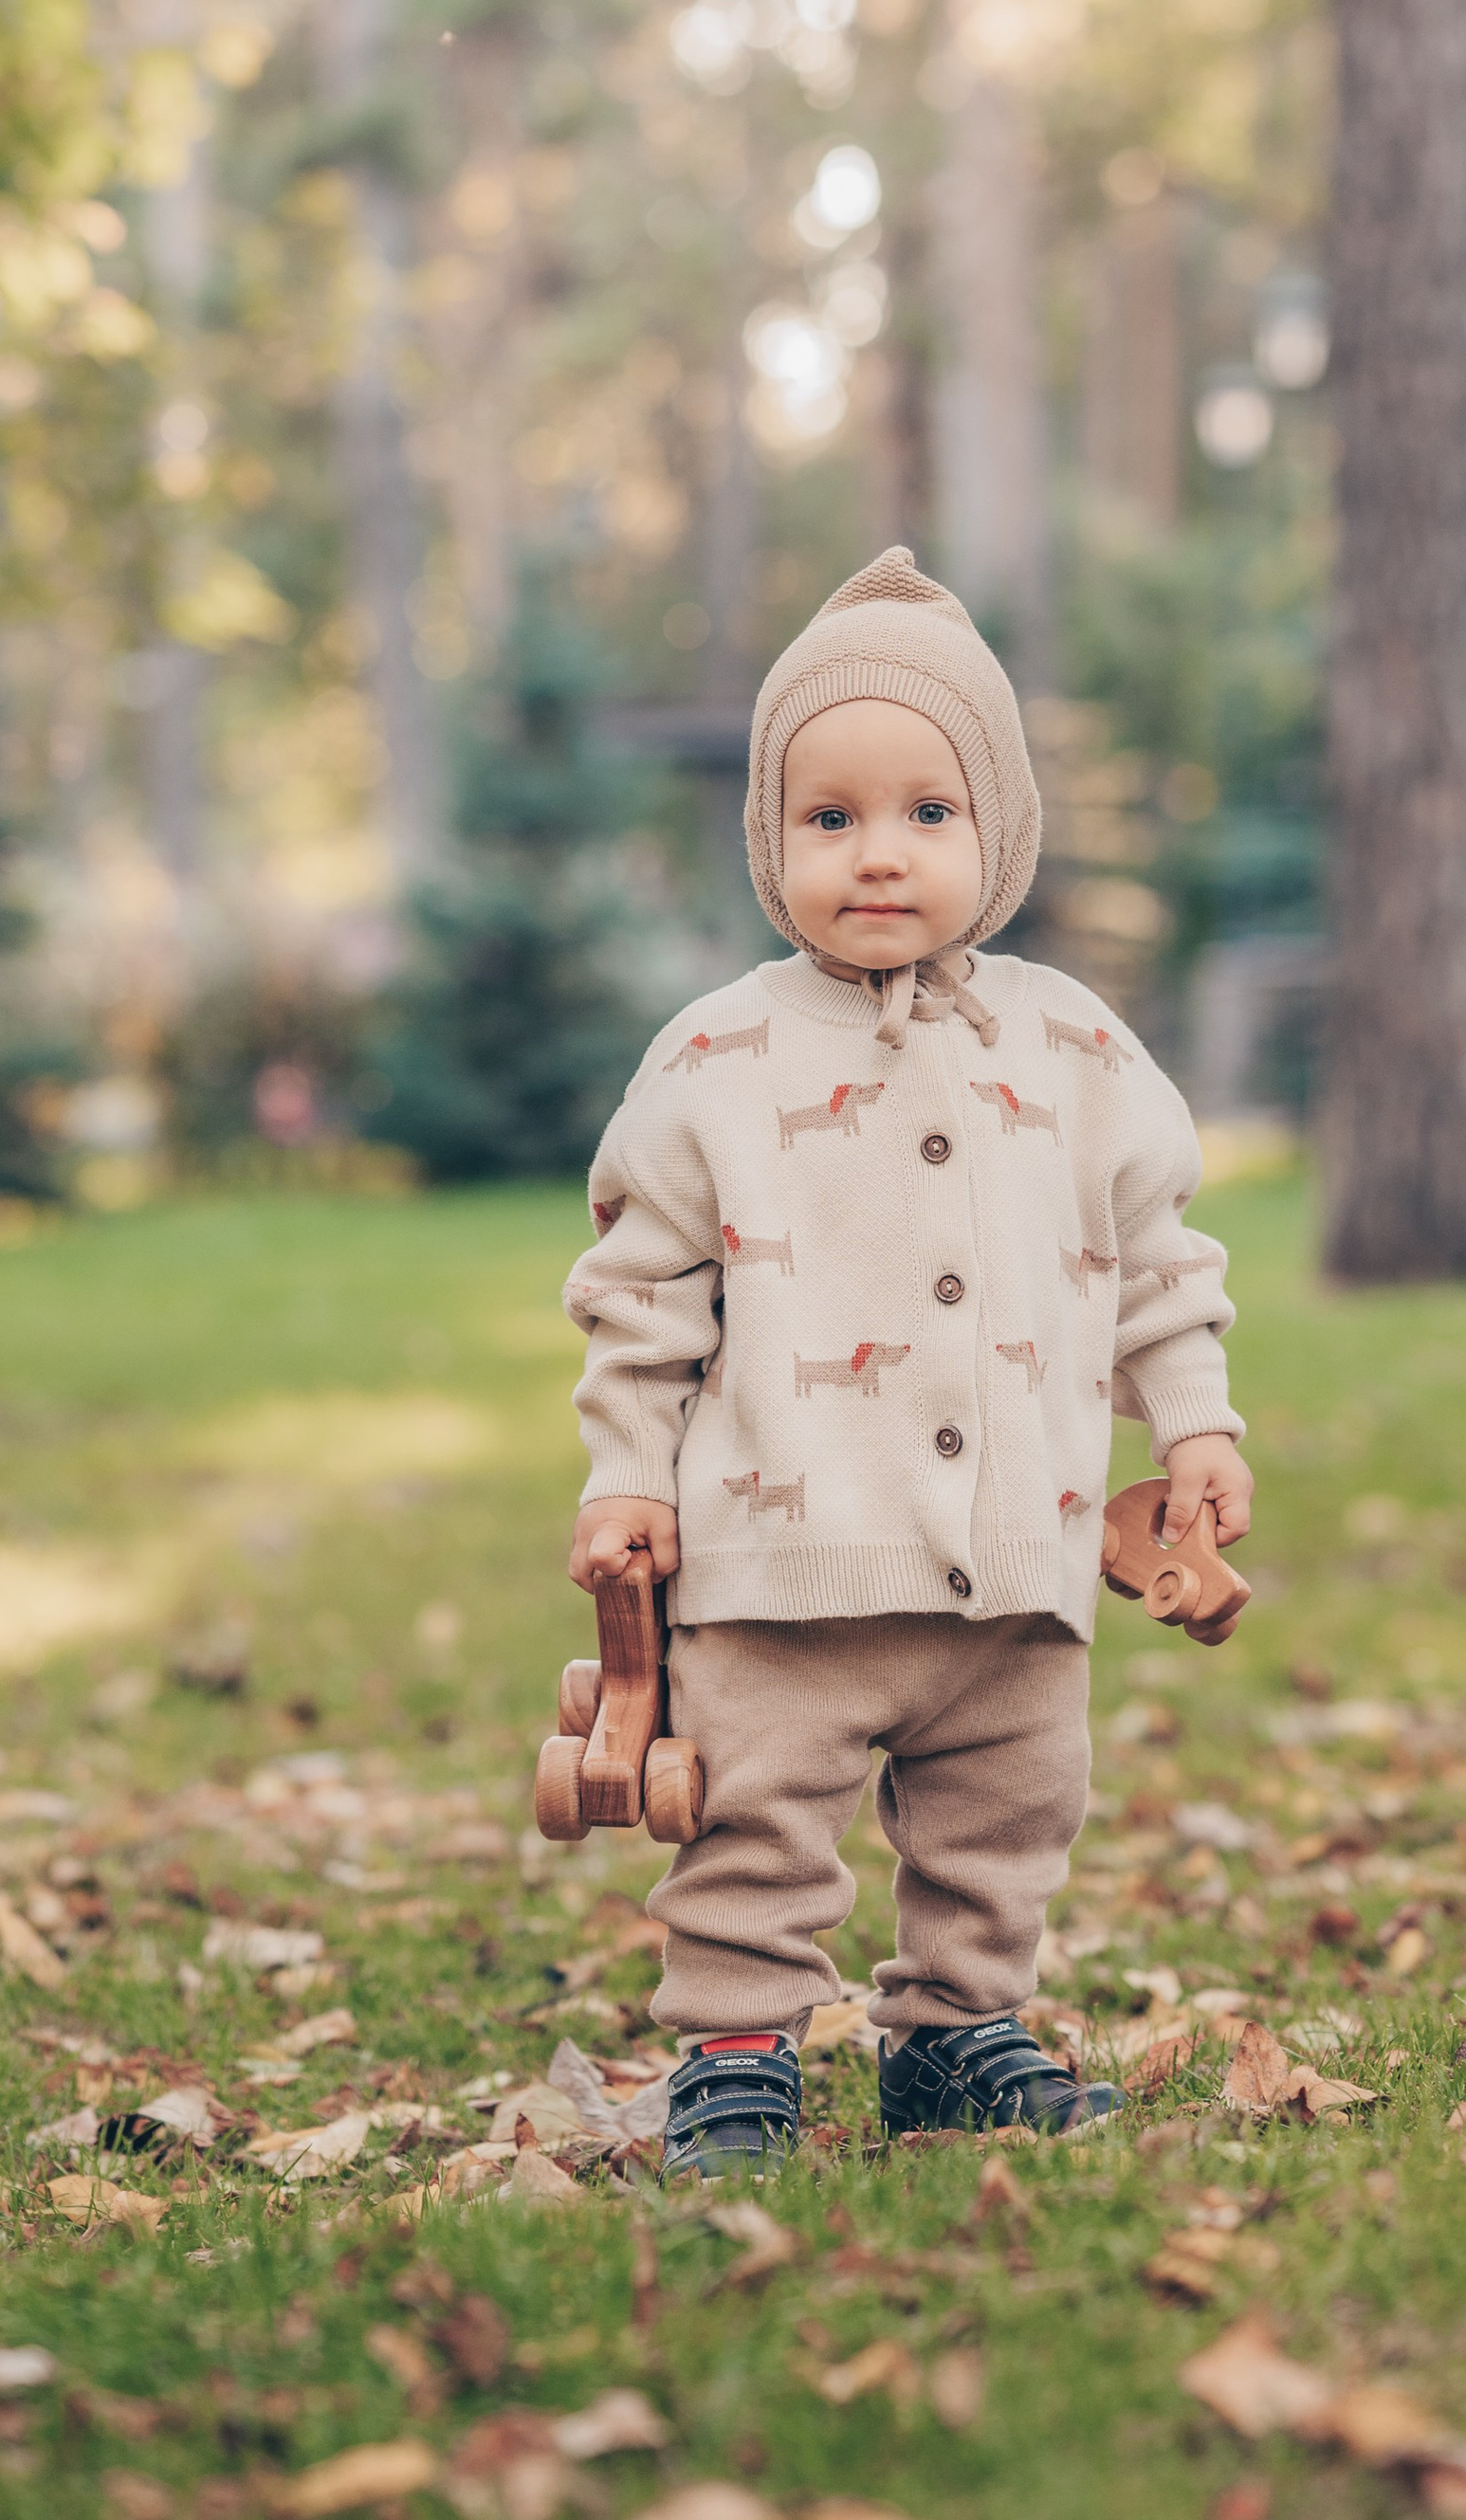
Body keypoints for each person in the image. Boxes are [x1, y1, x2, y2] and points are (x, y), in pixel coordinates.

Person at [561, 548, 1253, 2180]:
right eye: (831, 818)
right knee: (750, 1814)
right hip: (779, 1560)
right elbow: (641, 1296)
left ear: (997, 831)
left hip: (1018, 1554)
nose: (879, 856)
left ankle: (958, 2037)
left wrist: (1200, 1425)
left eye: (929, 815)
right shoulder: (717, 1061)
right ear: (771, 840)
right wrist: (624, 1479)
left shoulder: (1077, 1048)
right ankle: (736, 2050)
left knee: (1007, 1813)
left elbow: (1161, 1260)